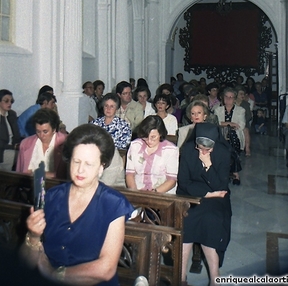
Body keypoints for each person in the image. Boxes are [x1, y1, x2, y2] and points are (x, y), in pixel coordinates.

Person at [21, 123, 134, 285]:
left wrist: (55, 274)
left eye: (89, 164)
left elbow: (106, 268)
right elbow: (27, 262)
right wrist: (33, 235)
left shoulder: (114, 203)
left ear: (101, 168)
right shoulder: (51, 197)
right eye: (76, 162)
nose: (80, 170)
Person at [177, 122, 232, 286]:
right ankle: (180, 277)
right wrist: (208, 193)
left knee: (211, 220)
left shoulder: (223, 152)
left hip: (217, 199)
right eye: (200, 148)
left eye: (208, 149)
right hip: (192, 195)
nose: (203, 152)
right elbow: (184, 182)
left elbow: (221, 185)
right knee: (186, 220)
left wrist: (208, 164)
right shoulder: (187, 150)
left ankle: (215, 277)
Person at [125, 115, 179, 194]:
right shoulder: (135, 146)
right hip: (137, 191)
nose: (149, 141)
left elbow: (171, 180)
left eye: (153, 137)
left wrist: (153, 195)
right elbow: (130, 174)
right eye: (146, 137)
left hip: (161, 194)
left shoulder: (171, 150)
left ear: (160, 133)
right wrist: (135, 194)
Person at [16, 108, 67, 179]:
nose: (41, 135)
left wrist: (38, 173)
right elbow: (20, 173)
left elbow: (66, 174)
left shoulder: (65, 143)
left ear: (54, 129)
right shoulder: (26, 144)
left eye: (45, 132)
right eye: (38, 131)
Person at [214, 87, 245, 185]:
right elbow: (216, 123)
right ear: (223, 98)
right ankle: (228, 173)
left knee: (232, 141)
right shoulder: (217, 109)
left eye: (231, 97)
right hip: (220, 135)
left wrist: (226, 124)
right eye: (226, 97)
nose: (228, 99)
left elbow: (241, 125)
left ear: (235, 99)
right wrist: (230, 124)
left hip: (235, 135)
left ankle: (235, 173)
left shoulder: (241, 110)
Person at [0, 89, 21, 171]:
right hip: (2, 150)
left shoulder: (12, 114)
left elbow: (16, 134)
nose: (9, 103)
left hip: (12, 147)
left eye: (11, 101)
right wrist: (14, 146)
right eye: (6, 101)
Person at [235, 86, 252, 156]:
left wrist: (242, 121)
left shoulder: (246, 104)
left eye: (243, 94)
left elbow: (249, 116)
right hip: (234, 122)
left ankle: (247, 148)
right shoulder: (232, 103)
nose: (242, 96)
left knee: (246, 130)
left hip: (244, 123)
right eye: (240, 94)